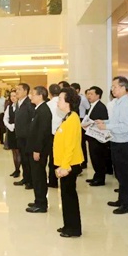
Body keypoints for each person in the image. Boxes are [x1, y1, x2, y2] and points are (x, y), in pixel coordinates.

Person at [96, 76, 128, 214]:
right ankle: (121, 199)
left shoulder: (126, 104)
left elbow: (126, 126)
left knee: (124, 174)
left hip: (123, 143)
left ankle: (127, 204)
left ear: (124, 88)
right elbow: (115, 122)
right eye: (112, 87)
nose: (112, 89)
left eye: (115, 87)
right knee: (119, 173)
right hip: (116, 141)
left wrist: (106, 127)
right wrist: (104, 122)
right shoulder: (119, 102)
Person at [54, 87, 85, 237]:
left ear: (68, 102)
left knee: (69, 196)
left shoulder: (73, 119)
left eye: (60, 99)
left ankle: (73, 229)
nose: (58, 101)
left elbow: (70, 145)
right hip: (65, 163)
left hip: (70, 164)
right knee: (66, 197)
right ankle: (68, 225)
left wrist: (65, 167)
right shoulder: (68, 117)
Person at [25, 86, 53, 213]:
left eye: (33, 94)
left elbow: (42, 133)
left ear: (41, 96)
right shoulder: (39, 109)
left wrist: (37, 150)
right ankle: (38, 200)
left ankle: (41, 204)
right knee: (36, 175)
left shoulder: (44, 111)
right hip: (35, 148)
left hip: (39, 150)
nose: (31, 96)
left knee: (39, 176)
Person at [84, 86, 108, 186]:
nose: (89, 96)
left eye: (91, 94)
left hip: (98, 138)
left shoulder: (101, 107)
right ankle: (96, 176)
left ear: (98, 95)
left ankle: (100, 179)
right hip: (92, 136)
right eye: (88, 94)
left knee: (98, 158)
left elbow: (102, 121)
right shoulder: (92, 106)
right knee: (94, 158)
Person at [14, 83, 35, 189]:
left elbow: (33, 121)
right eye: (16, 89)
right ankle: (25, 178)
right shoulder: (18, 103)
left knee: (28, 160)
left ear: (26, 91)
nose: (16, 91)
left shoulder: (29, 104)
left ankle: (30, 181)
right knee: (23, 159)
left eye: (19, 89)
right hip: (20, 136)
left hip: (27, 137)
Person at [46, 84, 63, 188]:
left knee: (53, 158)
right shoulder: (65, 103)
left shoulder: (48, 104)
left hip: (52, 134)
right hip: (63, 133)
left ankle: (53, 181)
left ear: (50, 93)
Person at [71, 83, 90, 169]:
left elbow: (88, 108)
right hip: (75, 119)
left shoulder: (83, 98)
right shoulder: (72, 98)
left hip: (81, 119)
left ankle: (84, 162)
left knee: (81, 142)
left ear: (77, 90)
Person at [3, 90, 21, 177]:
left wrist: (15, 125)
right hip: (11, 131)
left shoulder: (21, 107)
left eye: (14, 96)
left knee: (18, 151)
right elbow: (5, 118)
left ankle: (18, 170)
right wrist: (9, 126)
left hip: (19, 131)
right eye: (11, 96)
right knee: (13, 151)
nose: (13, 98)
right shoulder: (9, 107)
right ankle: (16, 169)